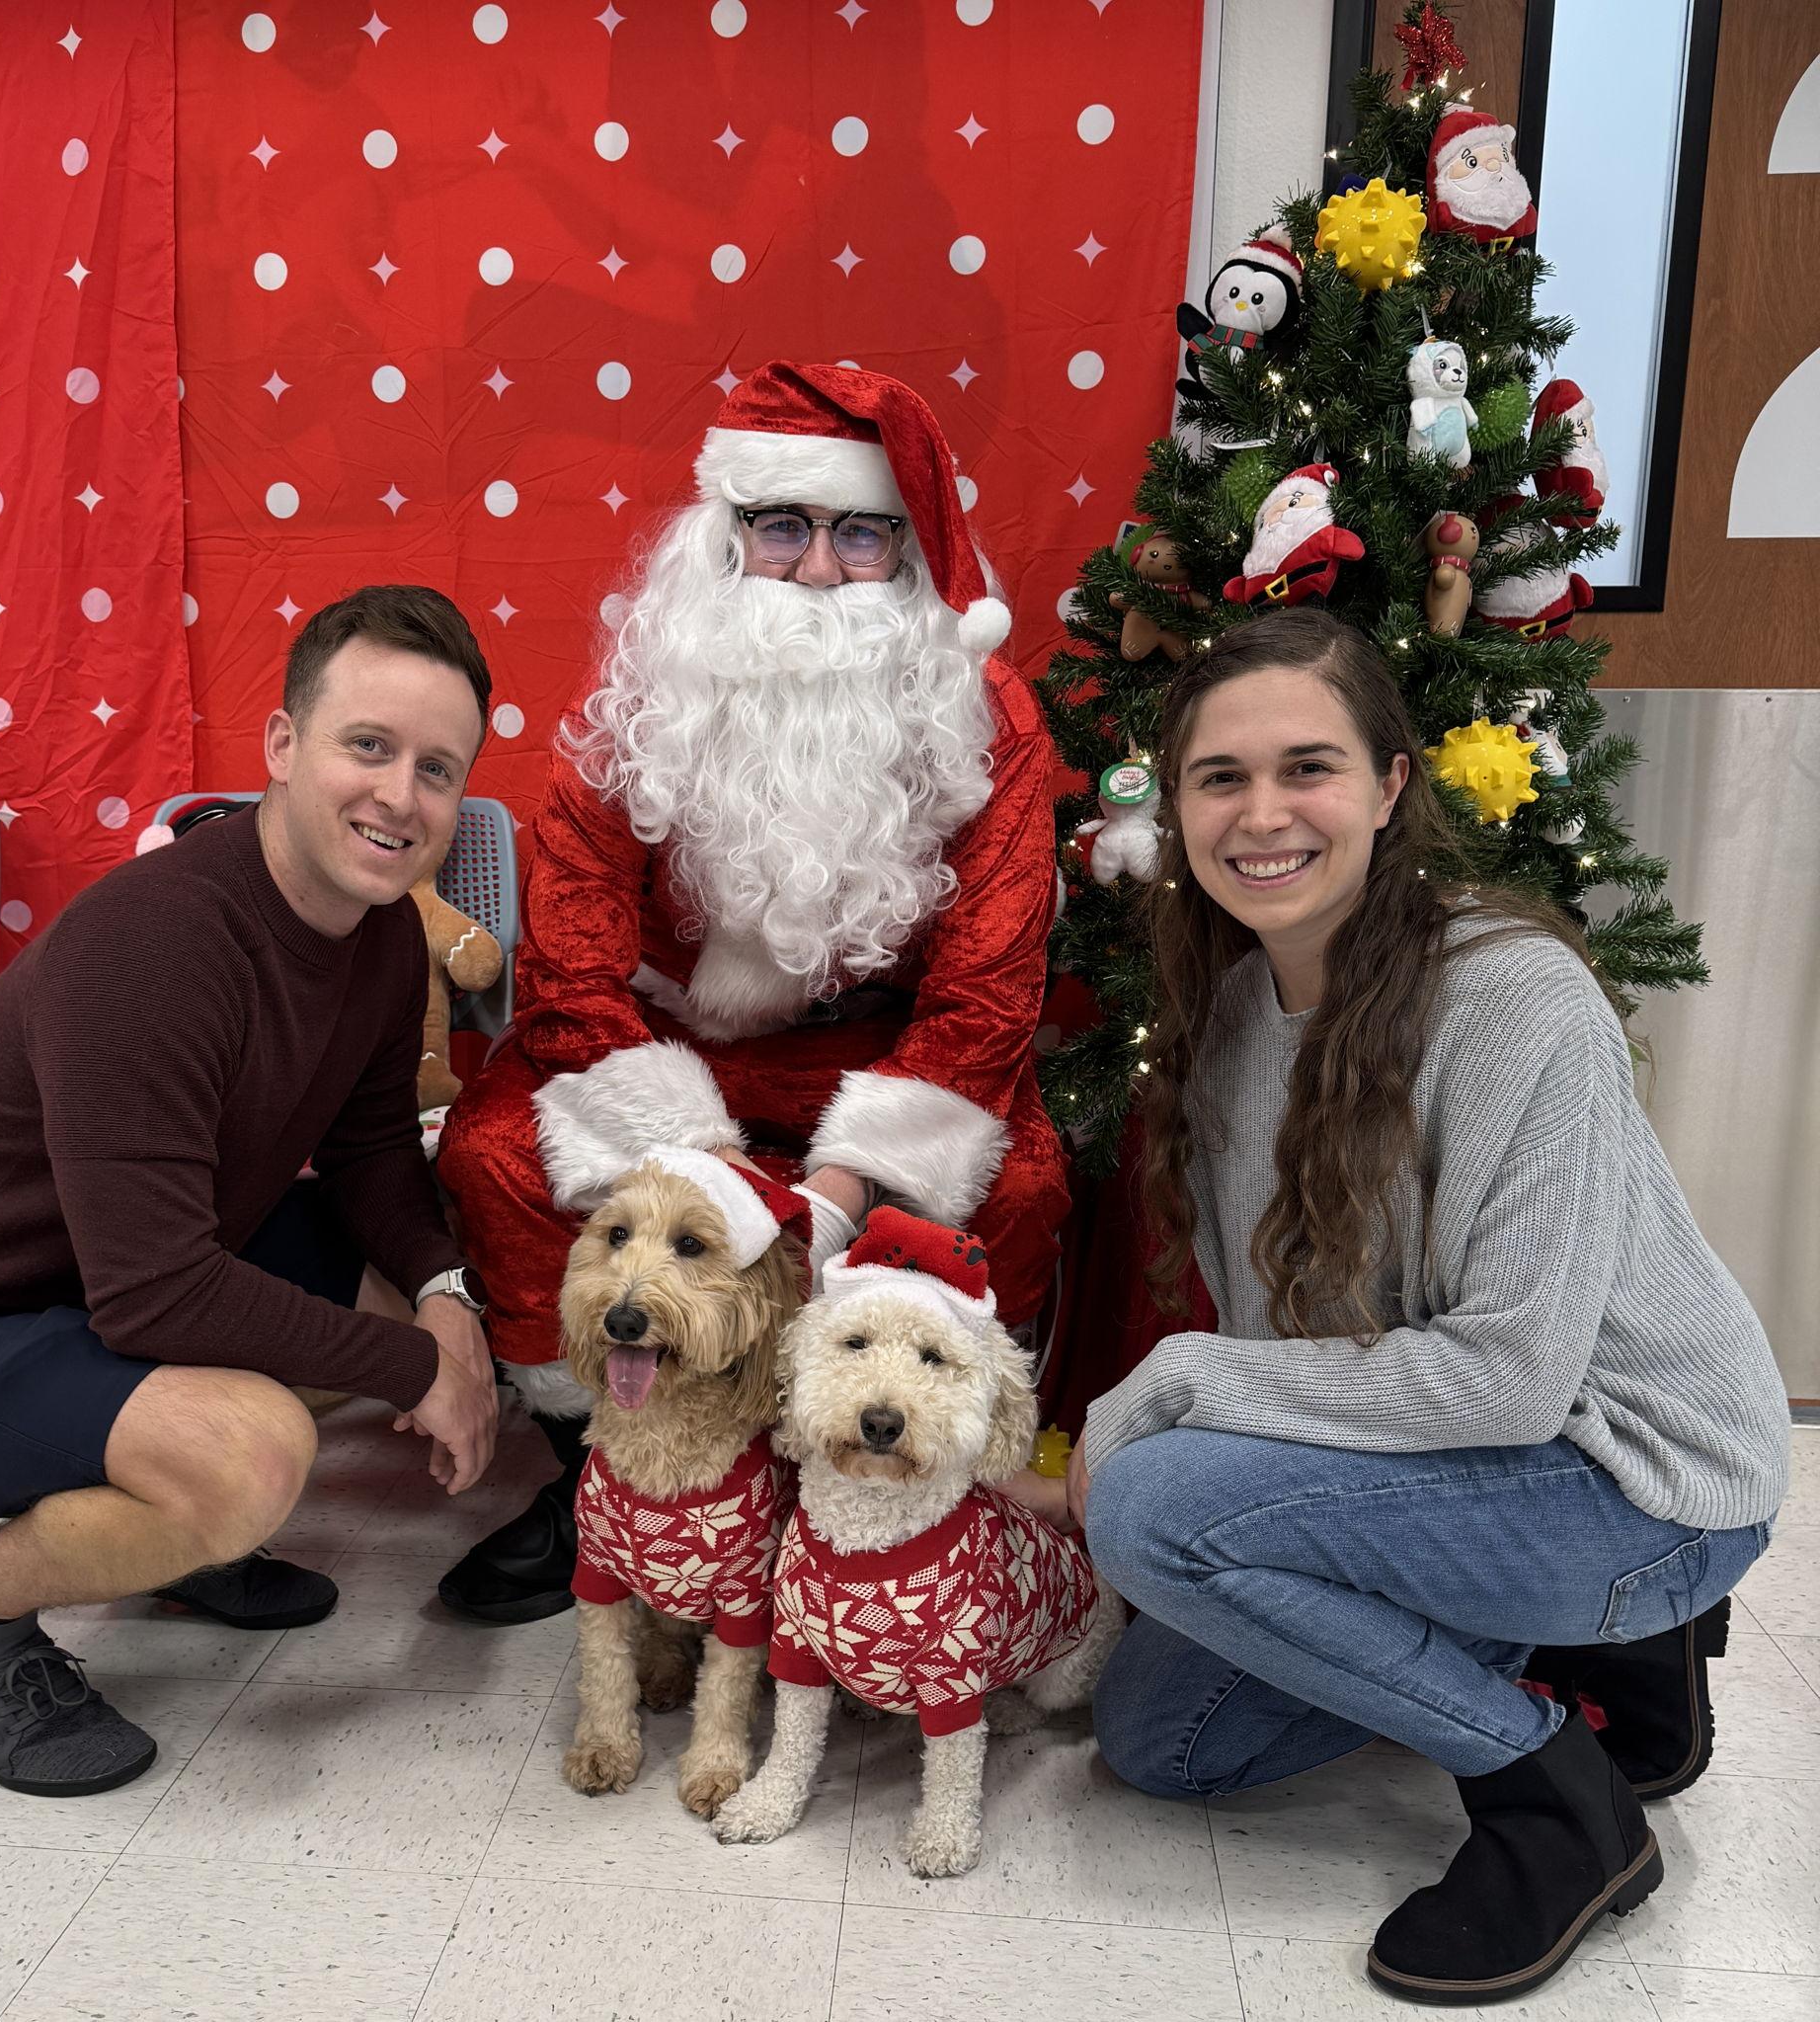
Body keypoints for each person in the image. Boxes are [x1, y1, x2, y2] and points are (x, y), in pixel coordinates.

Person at [1065, 609, 1788, 2005]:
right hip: (1471, 1463)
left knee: (1155, 1503)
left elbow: (1510, 1380)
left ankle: (1553, 1787)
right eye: (1221, 777)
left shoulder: (1516, 997)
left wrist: (1167, 1388)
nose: (1262, 813)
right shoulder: (1227, 1019)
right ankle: (1600, 1654)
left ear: (1392, 786)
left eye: (1308, 767)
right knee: (1168, 1743)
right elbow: (1293, 1360)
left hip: (1643, 1477)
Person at [0, 585, 501, 1798]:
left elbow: (377, 1153)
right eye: (367, 746)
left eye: (437, 769)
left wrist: (446, 1305)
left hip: (85, 1286)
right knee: (253, 1456)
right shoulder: (160, 942)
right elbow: (155, 1295)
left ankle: (170, 1543)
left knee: (398, 1291)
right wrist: (419, 1369)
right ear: (283, 746)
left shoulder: (381, 934)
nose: (400, 797)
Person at [435, 361, 1070, 1625]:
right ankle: (606, 1470)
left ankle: (884, 1474)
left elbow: (990, 990)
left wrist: (835, 1190)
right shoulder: (644, 692)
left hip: (879, 1059)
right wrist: (699, 1171)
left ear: (904, 546)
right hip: (667, 1045)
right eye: (783, 527)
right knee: (490, 1154)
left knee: (1026, 1185)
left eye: (858, 532)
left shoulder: (981, 709)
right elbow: (565, 954)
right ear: (725, 540)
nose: (821, 569)